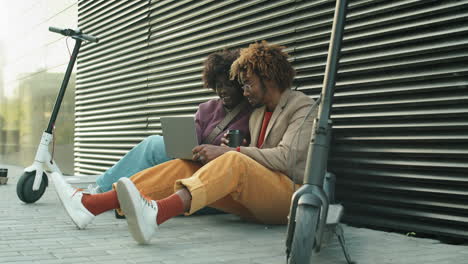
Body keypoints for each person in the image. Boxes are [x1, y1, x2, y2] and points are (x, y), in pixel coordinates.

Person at [53, 41, 315, 245]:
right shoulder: (257, 112)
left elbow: (285, 159)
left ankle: (157, 214)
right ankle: (89, 205)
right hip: (251, 199)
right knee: (186, 167)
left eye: (248, 85)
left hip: (287, 197)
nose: (244, 91)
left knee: (232, 159)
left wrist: (230, 150)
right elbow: (252, 155)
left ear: (268, 78)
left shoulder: (301, 106)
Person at [89, 49, 252, 193]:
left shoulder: (251, 114)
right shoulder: (207, 108)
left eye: (228, 85)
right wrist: (184, 142)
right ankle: (102, 189)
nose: (222, 91)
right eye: (218, 85)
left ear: (239, 84)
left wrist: (238, 148)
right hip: (193, 161)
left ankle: (104, 190)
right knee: (153, 146)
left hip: (215, 171)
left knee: (152, 144)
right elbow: (192, 135)